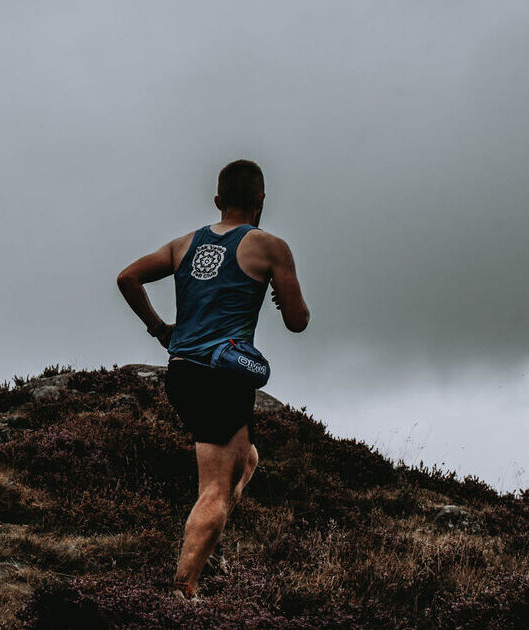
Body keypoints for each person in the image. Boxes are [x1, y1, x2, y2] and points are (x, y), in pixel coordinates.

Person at [115, 159, 309, 599]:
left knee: (248, 461)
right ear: (261, 200)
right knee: (216, 489)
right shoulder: (270, 247)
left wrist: (160, 330)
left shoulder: (184, 244)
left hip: (182, 372)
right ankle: (184, 590)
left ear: (218, 201)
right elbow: (298, 322)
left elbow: (128, 278)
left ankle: (209, 545)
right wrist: (281, 295)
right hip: (223, 374)